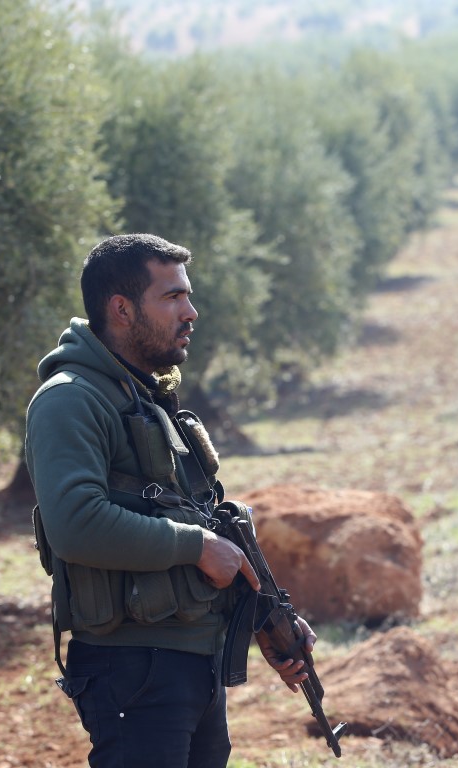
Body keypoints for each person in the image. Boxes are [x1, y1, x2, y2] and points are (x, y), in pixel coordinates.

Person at [25, 233, 315, 768]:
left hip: (189, 660)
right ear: (122, 308)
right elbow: (75, 522)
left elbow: (206, 519)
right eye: (173, 297)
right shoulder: (70, 399)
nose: (192, 312)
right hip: (133, 667)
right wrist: (195, 548)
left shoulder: (146, 397)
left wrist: (266, 619)